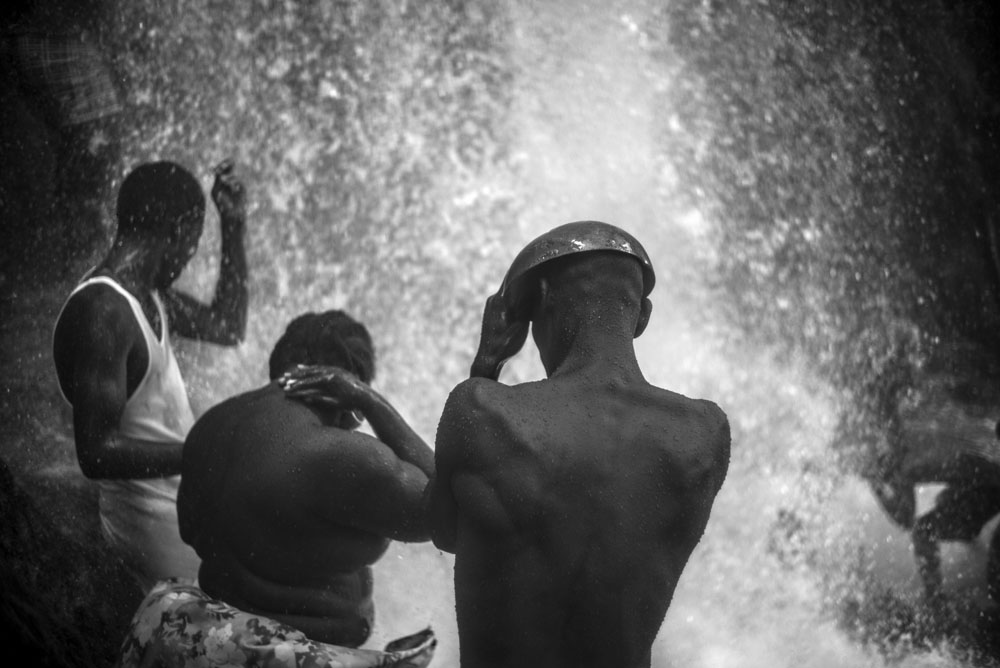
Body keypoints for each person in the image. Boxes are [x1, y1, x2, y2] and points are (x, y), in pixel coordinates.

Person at [425, 221, 731, 668]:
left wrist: (486, 366)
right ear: (642, 316)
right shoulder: (703, 435)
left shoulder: (483, 412)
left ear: (543, 301)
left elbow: (445, 532)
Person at [121, 310, 436, 667]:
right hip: (278, 655)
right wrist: (370, 401)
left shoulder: (209, 427)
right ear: (342, 384)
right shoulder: (333, 453)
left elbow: (191, 531)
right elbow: (447, 511)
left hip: (201, 634)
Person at [51, 158, 249, 594]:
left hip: (185, 518)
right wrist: (199, 454)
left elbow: (228, 326)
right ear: (176, 231)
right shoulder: (103, 311)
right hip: (154, 541)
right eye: (194, 244)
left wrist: (232, 226)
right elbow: (96, 452)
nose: (190, 256)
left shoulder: (149, 298)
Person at [869, 421, 1000, 606]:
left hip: (987, 478)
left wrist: (877, 488)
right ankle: (941, 595)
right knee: (946, 506)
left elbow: (906, 519)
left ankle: (935, 600)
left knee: (923, 530)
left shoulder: (906, 466)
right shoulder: (911, 442)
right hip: (983, 470)